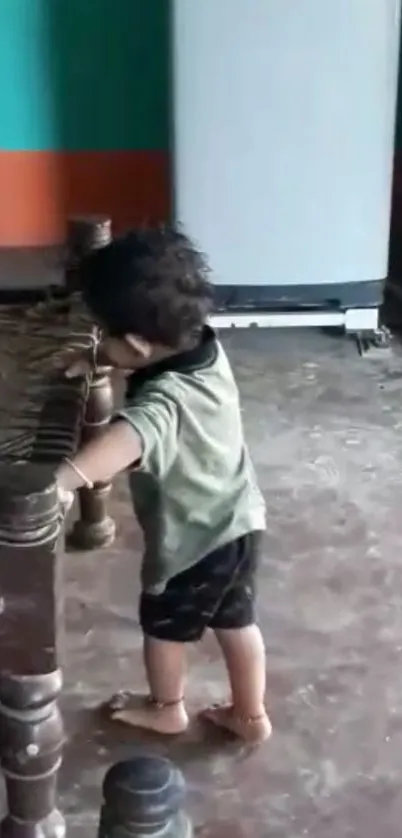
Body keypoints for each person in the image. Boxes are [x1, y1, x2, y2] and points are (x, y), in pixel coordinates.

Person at [57, 226, 271, 744]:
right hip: (240, 521)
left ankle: (166, 707)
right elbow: (143, 358)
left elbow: (132, 434)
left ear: (135, 343)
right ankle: (250, 714)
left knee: (164, 627)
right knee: (237, 621)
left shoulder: (165, 403)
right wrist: (103, 358)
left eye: (101, 334)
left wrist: (64, 481)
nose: (99, 342)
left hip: (194, 543)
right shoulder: (200, 346)